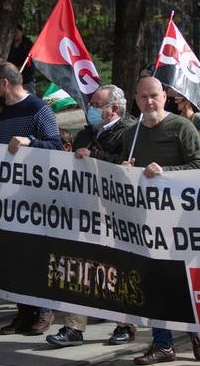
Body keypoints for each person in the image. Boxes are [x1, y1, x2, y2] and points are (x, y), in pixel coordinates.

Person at [121, 75, 200, 365]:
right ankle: (163, 344)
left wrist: (165, 172)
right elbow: (125, 171)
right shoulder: (131, 134)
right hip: (146, 221)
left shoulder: (181, 127)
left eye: (155, 96)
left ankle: (196, 330)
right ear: (136, 100)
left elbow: (199, 167)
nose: (149, 102)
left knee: (180, 279)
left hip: (180, 220)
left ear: (165, 97)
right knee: (153, 281)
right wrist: (124, 170)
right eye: (144, 97)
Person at [46, 85, 136, 348]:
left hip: (116, 213)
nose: (91, 110)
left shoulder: (129, 132)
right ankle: (74, 327)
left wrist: (94, 156)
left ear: (114, 110)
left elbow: (126, 167)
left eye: (97, 105)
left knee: (117, 268)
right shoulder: (85, 134)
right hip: (85, 211)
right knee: (78, 266)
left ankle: (125, 324)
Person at [0, 61, 63, 334]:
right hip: (5, 198)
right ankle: (23, 312)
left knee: (33, 255)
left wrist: (31, 142)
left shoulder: (39, 109)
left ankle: (43, 310)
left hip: (32, 198)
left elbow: (56, 146)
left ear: (5, 83)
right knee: (10, 256)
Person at [170, 90, 200, 161]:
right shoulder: (177, 120)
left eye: (180, 94)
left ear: (188, 99)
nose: (176, 97)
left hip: (199, 168)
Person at [8, 25, 36, 94]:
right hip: (12, 77)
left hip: (27, 78)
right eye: (13, 32)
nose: (14, 34)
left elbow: (31, 62)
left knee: (29, 97)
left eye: (16, 32)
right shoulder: (9, 44)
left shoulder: (29, 45)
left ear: (21, 32)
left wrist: (19, 68)